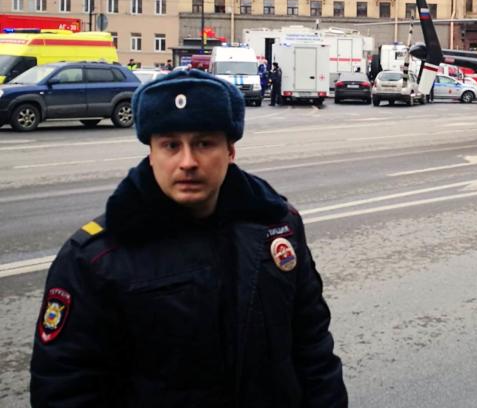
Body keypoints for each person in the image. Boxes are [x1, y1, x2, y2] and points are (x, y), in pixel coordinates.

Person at [30, 69, 347, 407]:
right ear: (151, 154)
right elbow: (66, 389)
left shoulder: (277, 226)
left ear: (230, 151)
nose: (188, 162)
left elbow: (313, 349)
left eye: (204, 143)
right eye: (170, 145)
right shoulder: (94, 258)